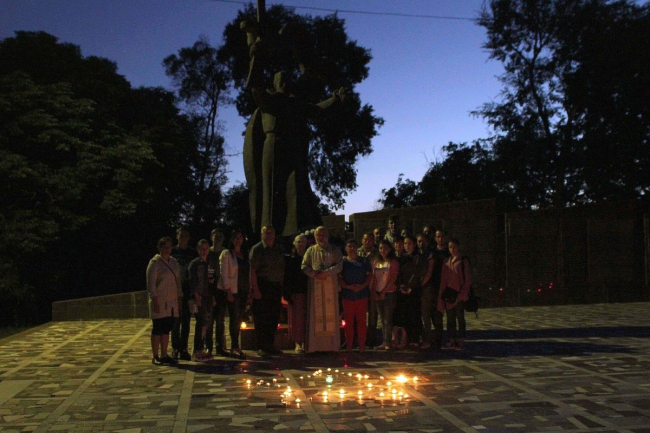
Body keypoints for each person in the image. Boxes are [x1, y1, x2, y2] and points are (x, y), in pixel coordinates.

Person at [301, 226, 343, 353]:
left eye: (323, 235)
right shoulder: (310, 250)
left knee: (331, 315)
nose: (321, 237)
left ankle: (331, 347)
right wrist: (315, 274)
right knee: (315, 315)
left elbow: (339, 265)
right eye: (319, 235)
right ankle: (315, 347)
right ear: (315, 237)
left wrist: (327, 272)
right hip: (315, 286)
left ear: (327, 236)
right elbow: (304, 266)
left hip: (330, 285)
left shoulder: (335, 250)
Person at [250, 226, 285, 356]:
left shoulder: (278, 249)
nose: (269, 236)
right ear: (262, 234)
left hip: (275, 286)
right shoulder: (257, 249)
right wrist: (255, 289)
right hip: (262, 285)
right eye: (266, 233)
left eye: (271, 233)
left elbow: (281, 268)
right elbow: (252, 270)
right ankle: (261, 346)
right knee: (261, 317)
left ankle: (270, 345)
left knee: (273, 316)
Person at [146, 237, 181, 365]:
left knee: (166, 328)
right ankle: (155, 355)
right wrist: (155, 301)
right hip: (159, 300)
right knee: (157, 328)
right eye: (164, 247)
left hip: (171, 302)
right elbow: (151, 285)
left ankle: (164, 354)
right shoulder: (154, 263)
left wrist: (179, 297)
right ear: (160, 248)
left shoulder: (174, 262)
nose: (167, 249)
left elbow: (177, 282)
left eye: (169, 247)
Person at [217, 230, 249, 359]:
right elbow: (223, 273)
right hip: (232, 290)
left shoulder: (245, 254)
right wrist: (228, 290)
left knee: (239, 319)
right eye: (235, 237)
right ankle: (233, 346)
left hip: (243, 289)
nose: (238, 240)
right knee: (234, 318)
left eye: (240, 237)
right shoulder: (227, 253)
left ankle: (236, 345)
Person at [392, 235, 426, 349]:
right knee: (405, 315)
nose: (407, 246)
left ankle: (414, 339)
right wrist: (401, 285)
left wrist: (412, 287)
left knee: (414, 315)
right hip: (403, 290)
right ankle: (404, 339)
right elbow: (399, 273)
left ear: (414, 244)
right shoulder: (402, 258)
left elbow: (419, 273)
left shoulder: (418, 257)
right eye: (405, 243)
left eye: (409, 243)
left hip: (414, 290)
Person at [438, 238, 472, 351]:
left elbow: (467, 280)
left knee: (460, 318)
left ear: (458, 247)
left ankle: (461, 340)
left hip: (459, 294)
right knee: (450, 319)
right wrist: (442, 295)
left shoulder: (463, 261)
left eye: (454, 247)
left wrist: (461, 294)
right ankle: (451, 340)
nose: (452, 249)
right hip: (449, 295)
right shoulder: (446, 261)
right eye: (450, 247)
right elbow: (443, 280)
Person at [339, 239, 372, 353]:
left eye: (354, 246)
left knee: (361, 321)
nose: (352, 248)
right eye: (349, 246)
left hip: (361, 295)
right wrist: (348, 287)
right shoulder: (342, 262)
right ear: (346, 248)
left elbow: (369, 276)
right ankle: (349, 345)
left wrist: (361, 286)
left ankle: (362, 345)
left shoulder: (364, 261)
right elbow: (339, 278)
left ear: (357, 248)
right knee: (348, 322)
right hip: (347, 296)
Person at [188, 239, 217, 361]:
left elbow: (213, 280)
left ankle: (204, 348)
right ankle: (197, 350)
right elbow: (192, 281)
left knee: (207, 323)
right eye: (202, 248)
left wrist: (213, 296)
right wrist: (196, 295)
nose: (204, 251)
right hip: (199, 297)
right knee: (200, 323)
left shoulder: (210, 263)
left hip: (208, 297)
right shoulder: (194, 264)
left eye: (206, 248)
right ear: (198, 249)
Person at [170, 227, 196, 361]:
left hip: (187, 289)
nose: (183, 238)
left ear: (189, 237)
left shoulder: (192, 253)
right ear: (177, 236)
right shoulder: (172, 251)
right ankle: (175, 347)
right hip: (174, 289)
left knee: (186, 320)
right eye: (181, 235)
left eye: (185, 235)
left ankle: (183, 348)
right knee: (175, 320)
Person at [370, 239, 399, 350]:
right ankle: (384, 341)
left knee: (388, 319)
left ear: (390, 249)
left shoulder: (393, 262)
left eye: (385, 248)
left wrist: (384, 292)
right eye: (381, 248)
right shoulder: (376, 262)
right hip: (378, 293)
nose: (383, 250)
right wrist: (374, 292)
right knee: (382, 319)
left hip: (389, 293)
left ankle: (388, 342)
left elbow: (393, 279)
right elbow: (374, 278)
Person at [284, 234, 309, 353]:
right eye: (298, 242)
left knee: (307, 318)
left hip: (308, 291)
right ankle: (298, 343)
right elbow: (287, 277)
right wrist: (287, 293)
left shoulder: (310, 259)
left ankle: (308, 342)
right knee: (296, 319)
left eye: (303, 242)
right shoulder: (290, 259)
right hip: (295, 292)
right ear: (294, 243)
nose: (301, 244)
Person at [206, 228, 226, 356]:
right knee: (209, 320)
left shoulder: (226, 253)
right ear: (211, 237)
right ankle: (208, 346)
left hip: (222, 290)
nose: (217, 239)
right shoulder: (207, 252)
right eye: (215, 236)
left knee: (220, 320)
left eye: (220, 236)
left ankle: (220, 346)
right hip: (209, 290)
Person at [358, 232, 380, 348]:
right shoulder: (357, 252)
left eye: (370, 240)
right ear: (362, 240)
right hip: (359, 285)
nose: (368, 242)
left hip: (372, 285)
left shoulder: (377, 253)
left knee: (372, 314)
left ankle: (371, 338)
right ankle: (359, 338)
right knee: (360, 313)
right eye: (366, 239)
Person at [417, 232, 438, 349]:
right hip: (418, 287)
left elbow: (429, 272)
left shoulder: (430, 255)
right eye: (419, 241)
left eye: (423, 241)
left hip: (427, 288)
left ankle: (428, 339)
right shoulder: (417, 254)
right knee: (420, 315)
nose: (420, 243)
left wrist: (421, 284)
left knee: (426, 315)